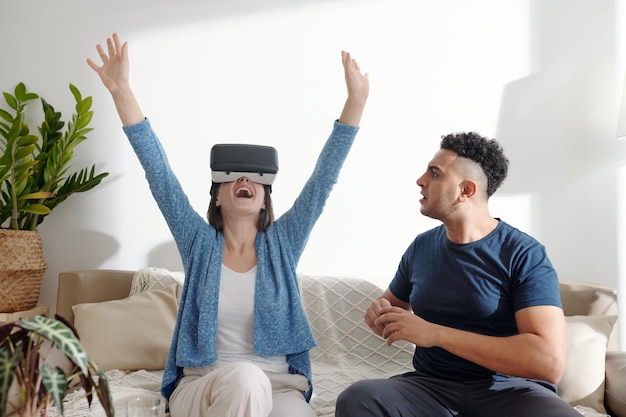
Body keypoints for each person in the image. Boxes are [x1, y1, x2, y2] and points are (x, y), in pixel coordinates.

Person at [87, 33, 369, 417]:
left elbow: (322, 182)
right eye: (232, 177)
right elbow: (160, 175)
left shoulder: (283, 244)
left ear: (266, 196)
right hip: (203, 384)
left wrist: (355, 102)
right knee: (243, 379)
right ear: (217, 196)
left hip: (279, 385)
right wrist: (121, 90)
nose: (244, 181)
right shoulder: (198, 244)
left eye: (254, 178)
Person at [335, 132, 581, 417]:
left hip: (510, 392)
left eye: (435, 173)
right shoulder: (422, 247)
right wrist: (380, 312)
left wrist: (435, 333)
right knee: (358, 398)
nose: (420, 180)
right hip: (432, 389)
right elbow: (392, 304)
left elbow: (547, 361)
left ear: (466, 190)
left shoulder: (524, 254)